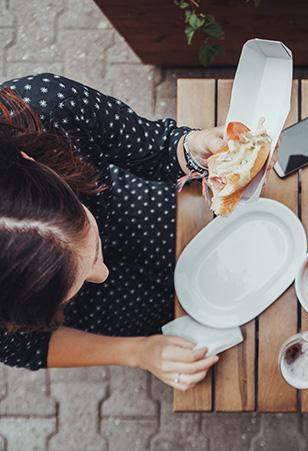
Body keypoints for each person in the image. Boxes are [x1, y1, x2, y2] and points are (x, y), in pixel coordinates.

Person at [0, 73, 226, 390]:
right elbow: (28, 348)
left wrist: (191, 149)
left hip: (126, 207)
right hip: (93, 309)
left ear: (31, 162)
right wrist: (138, 351)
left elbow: (158, 147)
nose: (102, 273)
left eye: (92, 253)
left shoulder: (50, 107)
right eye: (76, 280)